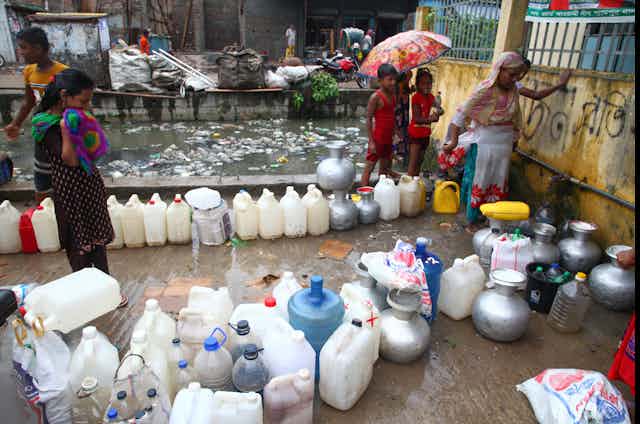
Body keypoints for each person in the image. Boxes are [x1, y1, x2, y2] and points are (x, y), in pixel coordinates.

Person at [32, 68, 127, 308]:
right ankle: (85, 294)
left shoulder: (76, 116)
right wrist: (66, 130)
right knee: (78, 243)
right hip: (69, 190)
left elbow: (94, 146)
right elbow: (70, 160)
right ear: (64, 95)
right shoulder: (47, 125)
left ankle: (107, 288)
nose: (86, 106)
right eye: (83, 100)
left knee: (97, 239)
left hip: (89, 184)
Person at [439, 51, 525, 231]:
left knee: (499, 180)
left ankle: (492, 218)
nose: (514, 79)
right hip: (485, 142)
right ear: (499, 70)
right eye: (511, 74)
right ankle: (472, 221)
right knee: (481, 180)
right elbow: (461, 113)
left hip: (504, 143)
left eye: (517, 75)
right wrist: (453, 140)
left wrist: (516, 138)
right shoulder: (486, 89)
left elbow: (517, 116)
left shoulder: (514, 90)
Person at [2, 27, 68, 203]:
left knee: (64, 174)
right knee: (42, 177)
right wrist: (15, 124)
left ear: (38, 48)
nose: (20, 52)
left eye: (24, 47)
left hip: (60, 132)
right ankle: (42, 211)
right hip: (42, 132)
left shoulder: (63, 73)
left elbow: (74, 107)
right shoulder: (29, 71)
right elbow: (29, 102)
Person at [361, 63, 398, 187]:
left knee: (384, 170)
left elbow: (392, 117)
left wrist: (396, 134)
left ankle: (381, 193)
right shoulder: (375, 97)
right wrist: (371, 141)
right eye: (390, 80)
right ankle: (363, 193)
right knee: (369, 167)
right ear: (380, 81)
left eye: (394, 79)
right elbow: (368, 119)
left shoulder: (393, 96)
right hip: (378, 139)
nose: (393, 82)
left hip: (388, 139)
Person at [407, 68, 442, 176]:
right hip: (415, 134)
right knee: (413, 163)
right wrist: (430, 119)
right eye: (423, 83)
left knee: (420, 162)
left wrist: (439, 112)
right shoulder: (416, 97)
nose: (426, 86)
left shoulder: (432, 97)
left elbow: (436, 111)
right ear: (418, 84)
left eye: (429, 83)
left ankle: (414, 184)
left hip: (425, 134)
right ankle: (408, 184)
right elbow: (417, 118)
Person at [394, 71, 412, 167]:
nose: (409, 79)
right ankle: (397, 156)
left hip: (404, 116)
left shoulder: (405, 87)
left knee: (405, 135)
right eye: (408, 77)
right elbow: (395, 105)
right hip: (398, 116)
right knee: (399, 135)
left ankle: (403, 156)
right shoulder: (397, 89)